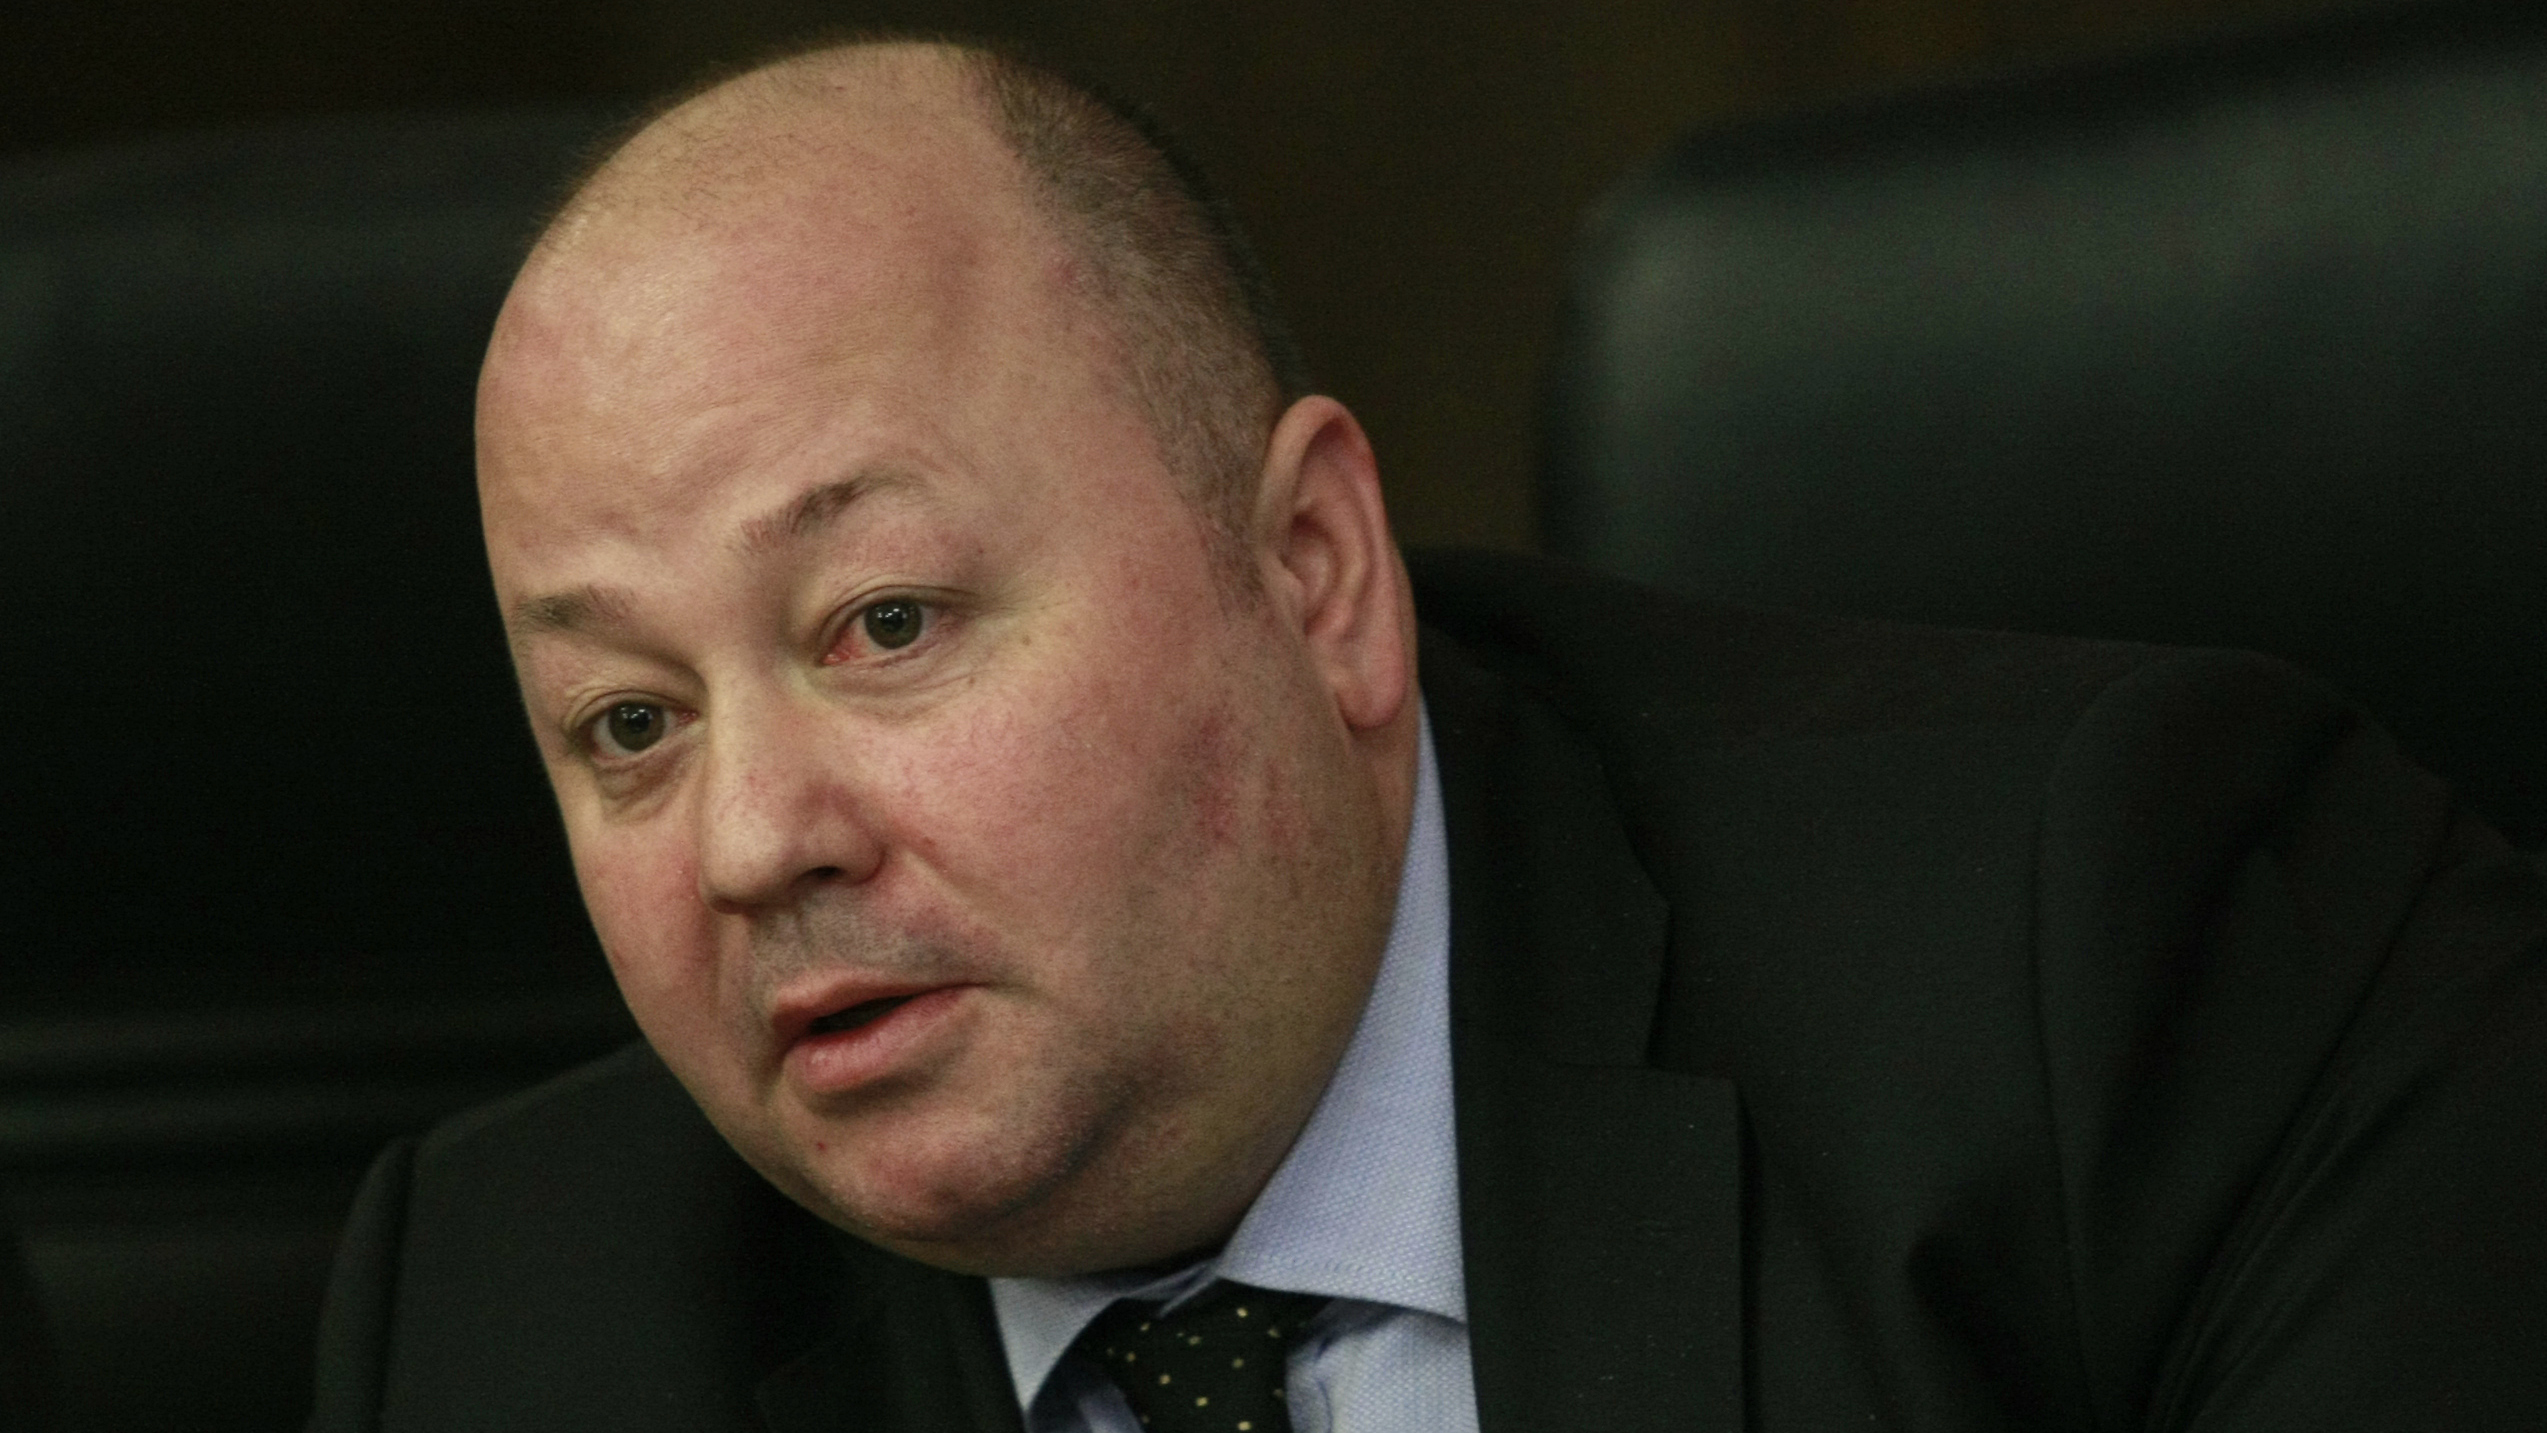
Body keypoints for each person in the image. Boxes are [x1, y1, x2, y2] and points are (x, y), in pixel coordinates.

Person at [308, 38, 2547, 1433]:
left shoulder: (2114, 962)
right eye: (626, 721)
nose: (750, 839)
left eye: (883, 622)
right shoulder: (512, 1318)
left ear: (1313, 573)